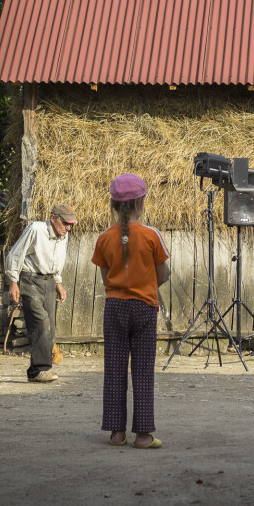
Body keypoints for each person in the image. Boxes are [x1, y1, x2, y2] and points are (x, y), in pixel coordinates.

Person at [91, 174, 170, 449]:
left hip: (114, 307)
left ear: (113, 204)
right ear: (142, 201)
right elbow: (164, 274)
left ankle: (116, 433)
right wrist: (144, 285)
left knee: (114, 369)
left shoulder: (103, 238)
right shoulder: (151, 236)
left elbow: (105, 277)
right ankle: (144, 435)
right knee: (143, 370)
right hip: (145, 307)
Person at [6, 203, 78, 382]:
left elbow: (57, 260)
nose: (68, 228)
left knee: (51, 329)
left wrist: (58, 283)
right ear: (53, 218)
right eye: (65, 223)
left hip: (49, 281)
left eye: (71, 225)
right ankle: (41, 369)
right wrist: (13, 283)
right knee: (41, 323)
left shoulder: (63, 235)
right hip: (30, 280)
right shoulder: (36, 229)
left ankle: (34, 371)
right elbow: (15, 255)